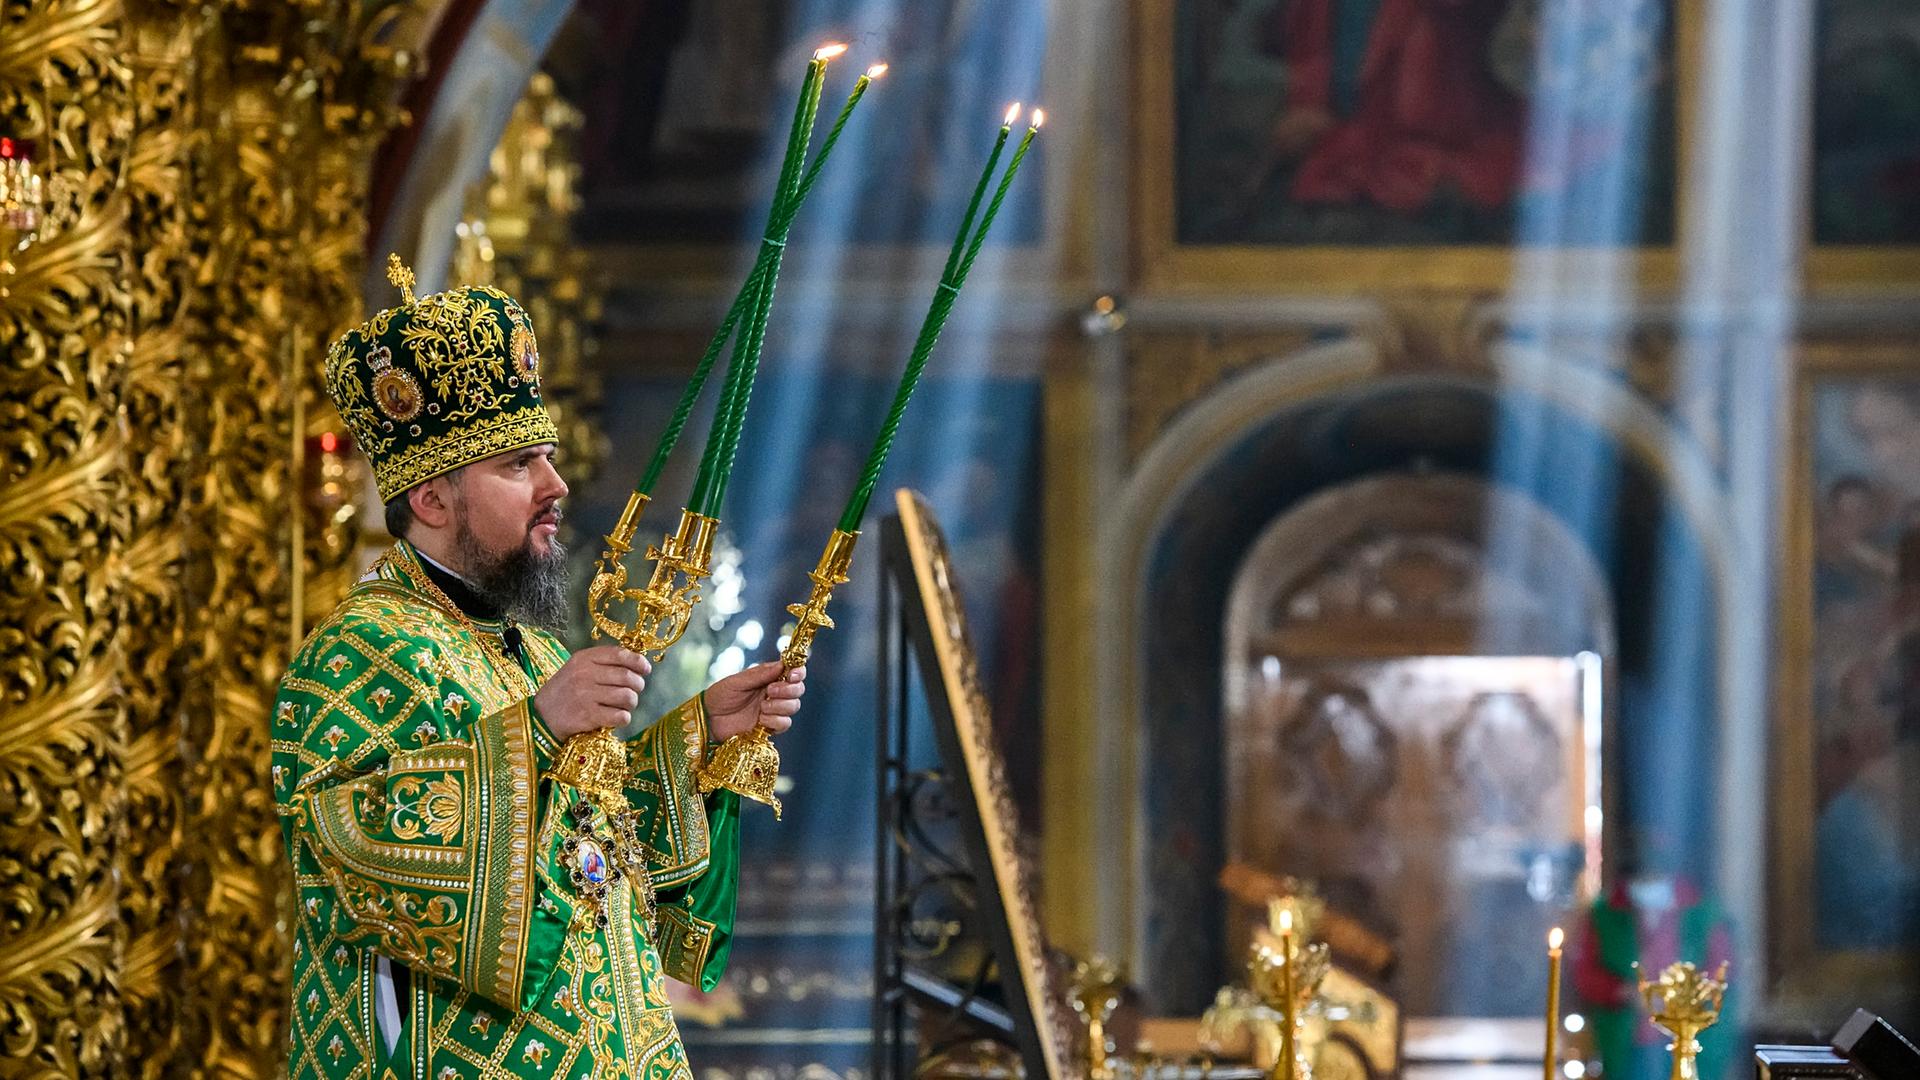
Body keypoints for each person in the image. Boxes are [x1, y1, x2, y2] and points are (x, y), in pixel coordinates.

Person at [273, 259, 805, 1078]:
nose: (556, 485)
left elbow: (597, 864)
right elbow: (356, 851)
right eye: (518, 464)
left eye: (546, 458)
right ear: (432, 500)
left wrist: (697, 740)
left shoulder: (536, 653)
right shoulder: (356, 654)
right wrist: (536, 730)